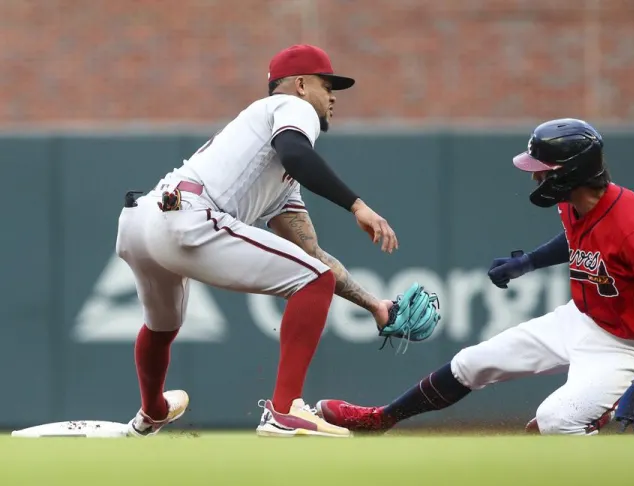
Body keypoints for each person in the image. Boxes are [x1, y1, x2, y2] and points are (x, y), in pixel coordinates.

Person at [115, 44, 438, 438]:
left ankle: (152, 413)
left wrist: (374, 305)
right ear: (300, 85)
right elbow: (296, 152)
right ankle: (285, 410)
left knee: (163, 325)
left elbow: (311, 254)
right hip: (188, 215)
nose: (333, 96)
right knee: (313, 280)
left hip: (143, 222)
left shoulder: (278, 168)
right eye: (326, 84)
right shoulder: (291, 108)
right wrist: (357, 205)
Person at [316, 118, 634, 435]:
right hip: (580, 319)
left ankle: (597, 426)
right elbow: (578, 239)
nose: (535, 176)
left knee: (554, 422)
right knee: (470, 363)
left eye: (541, 169)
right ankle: (381, 419)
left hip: (626, 345)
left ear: (570, 172)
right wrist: (527, 262)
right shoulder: (575, 203)